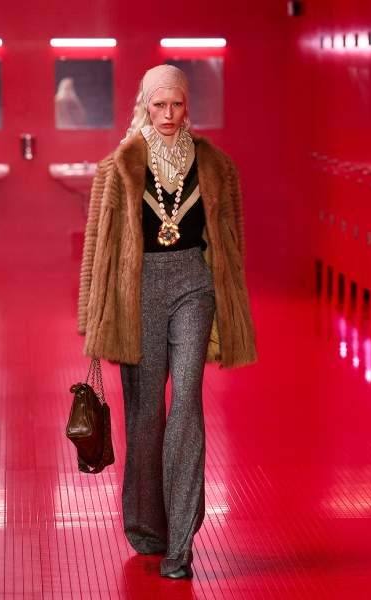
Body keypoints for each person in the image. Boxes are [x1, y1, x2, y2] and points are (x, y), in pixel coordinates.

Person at [76, 64, 257, 579]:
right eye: (160, 105)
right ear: (145, 106)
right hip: (138, 290)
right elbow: (99, 246)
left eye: (177, 104)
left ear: (187, 106)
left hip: (195, 285)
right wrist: (94, 316)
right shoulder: (119, 166)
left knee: (186, 404)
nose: (169, 114)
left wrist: (231, 302)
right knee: (145, 412)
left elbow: (231, 242)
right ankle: (147, 526)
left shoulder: (215, 166)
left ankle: (180, 542)